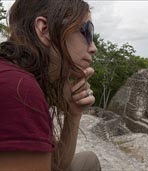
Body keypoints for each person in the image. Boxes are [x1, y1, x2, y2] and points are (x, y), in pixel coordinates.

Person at [0, 0, 101, 171]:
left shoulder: (20, 74)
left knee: (88, 160)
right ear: (44, 29)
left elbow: (56, 165)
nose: (93, 48)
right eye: (86, 32)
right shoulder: (18, 88)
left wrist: (73, 113)